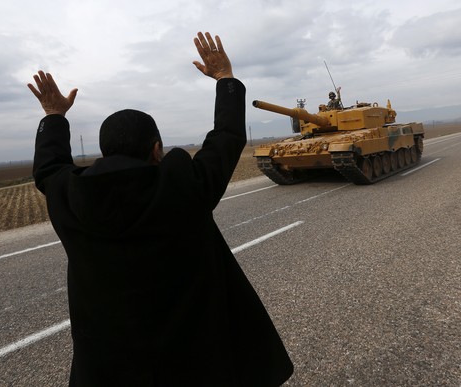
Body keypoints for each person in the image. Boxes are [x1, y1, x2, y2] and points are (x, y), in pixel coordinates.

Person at [28, 32, 293, 386]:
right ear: (156, 150)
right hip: (198, 366)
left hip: (108, 371)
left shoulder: (70, 198)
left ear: (104, 153)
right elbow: (227, 137)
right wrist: (225, 80)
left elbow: (48, 168)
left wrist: (54, 115)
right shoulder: (184, 187)